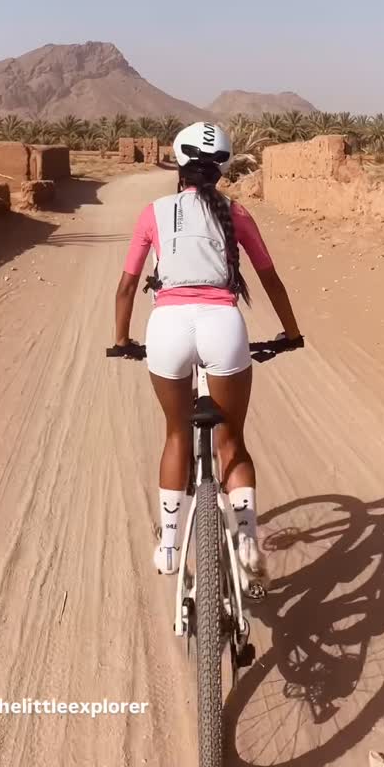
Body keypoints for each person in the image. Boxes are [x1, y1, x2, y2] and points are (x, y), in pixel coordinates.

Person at [114, 122, 303, 579]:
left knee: (177, 434)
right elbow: (270, 280)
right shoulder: (236, 213)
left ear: (179, 167)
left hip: (167, 329)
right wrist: (291, 332)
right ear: (220, 171)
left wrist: (121, 341)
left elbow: (127, 286)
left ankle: (171, 548)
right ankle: (247, 543)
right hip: (224, 326)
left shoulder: (153, 212)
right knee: (232, 439)